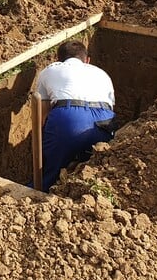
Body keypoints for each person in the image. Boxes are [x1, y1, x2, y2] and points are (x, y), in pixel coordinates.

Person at [35, 41, 116, 192]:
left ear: (58, 60)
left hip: (69, 118)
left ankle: (42, 191)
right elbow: (111, 106)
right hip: (104, 121)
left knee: (50, 176)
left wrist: (46, 144)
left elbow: (42, 114)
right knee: (95, 172)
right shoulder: (102, 73)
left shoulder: (50, 70)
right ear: (87, 60)